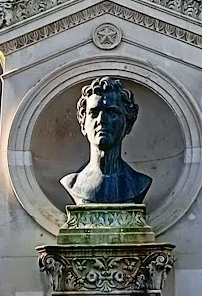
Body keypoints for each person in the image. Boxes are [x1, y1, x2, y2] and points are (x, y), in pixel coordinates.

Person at [61, 76, 152, 206]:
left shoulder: (139, 183)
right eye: (94, 113)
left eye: (112, 114)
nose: (102, 120)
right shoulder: (71, 183)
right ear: (83, 123)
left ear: (128, 124)